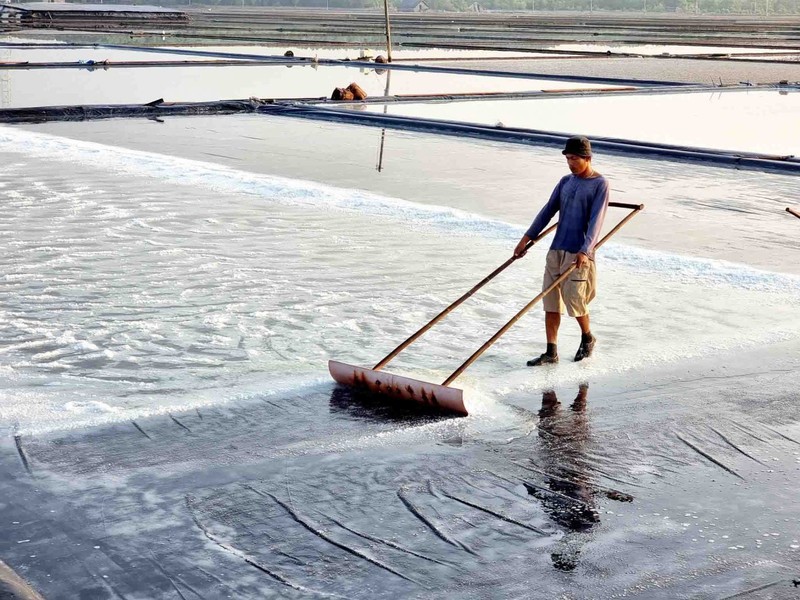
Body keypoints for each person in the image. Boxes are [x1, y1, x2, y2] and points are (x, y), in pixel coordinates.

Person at [513, 136, 609, 366]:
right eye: (567, 158)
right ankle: (551, 352)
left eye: (574, 158)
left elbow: (597, 221)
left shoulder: (600, 184)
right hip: (556, 250)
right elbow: (548, 211)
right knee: (551, 303)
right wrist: (526, 239)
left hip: (579, 254)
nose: (570, 163)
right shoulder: (566, 181)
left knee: (575, 302)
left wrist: (585, 251)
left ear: (587, 158)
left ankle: (587, 338)